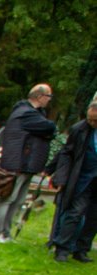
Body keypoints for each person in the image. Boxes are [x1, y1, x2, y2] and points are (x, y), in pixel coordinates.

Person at [0, 84, 56, 244]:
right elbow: (50, 127)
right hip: (17, 163)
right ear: (39, 96)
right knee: (8, 199)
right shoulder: (25, 113)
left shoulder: (35, 114)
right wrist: (47, 131)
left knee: (18, 201)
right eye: (48, 96)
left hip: (27, 164)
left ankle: (6, 234)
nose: (49, 100)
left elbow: (49, 132)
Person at [50, 102, 97, 263]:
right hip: (82, 179)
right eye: (90, 119)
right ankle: (62, 249)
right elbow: (66, 153)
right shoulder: (79, 129)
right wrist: (61, 177)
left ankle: (81, 249)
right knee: (75, 213)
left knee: (93, 217)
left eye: (95, 120)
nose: (92, 123)